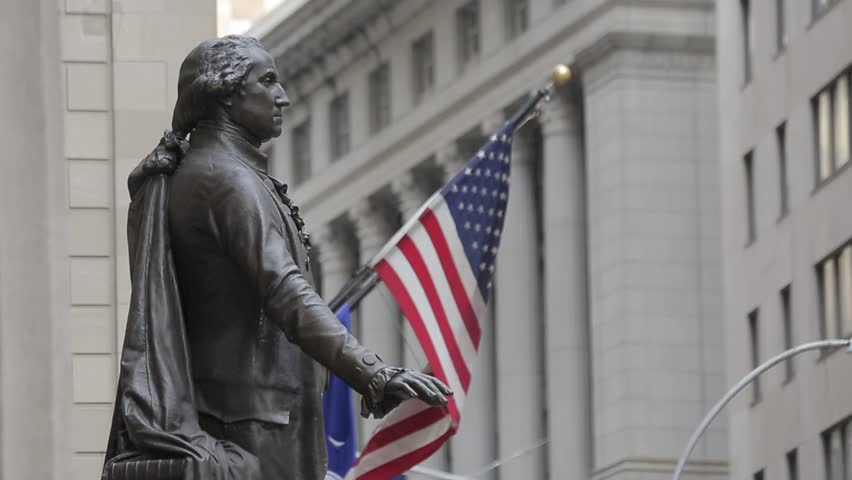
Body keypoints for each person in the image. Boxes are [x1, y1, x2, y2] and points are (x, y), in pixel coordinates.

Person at [104, 35, 451, 480]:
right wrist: (373, 373)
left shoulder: (221, 174)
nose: (282, 97)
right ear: (225, 95)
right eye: (267, 82)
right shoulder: (225, 180)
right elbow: (285, 290)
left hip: (258, 414)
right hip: (252, 421)